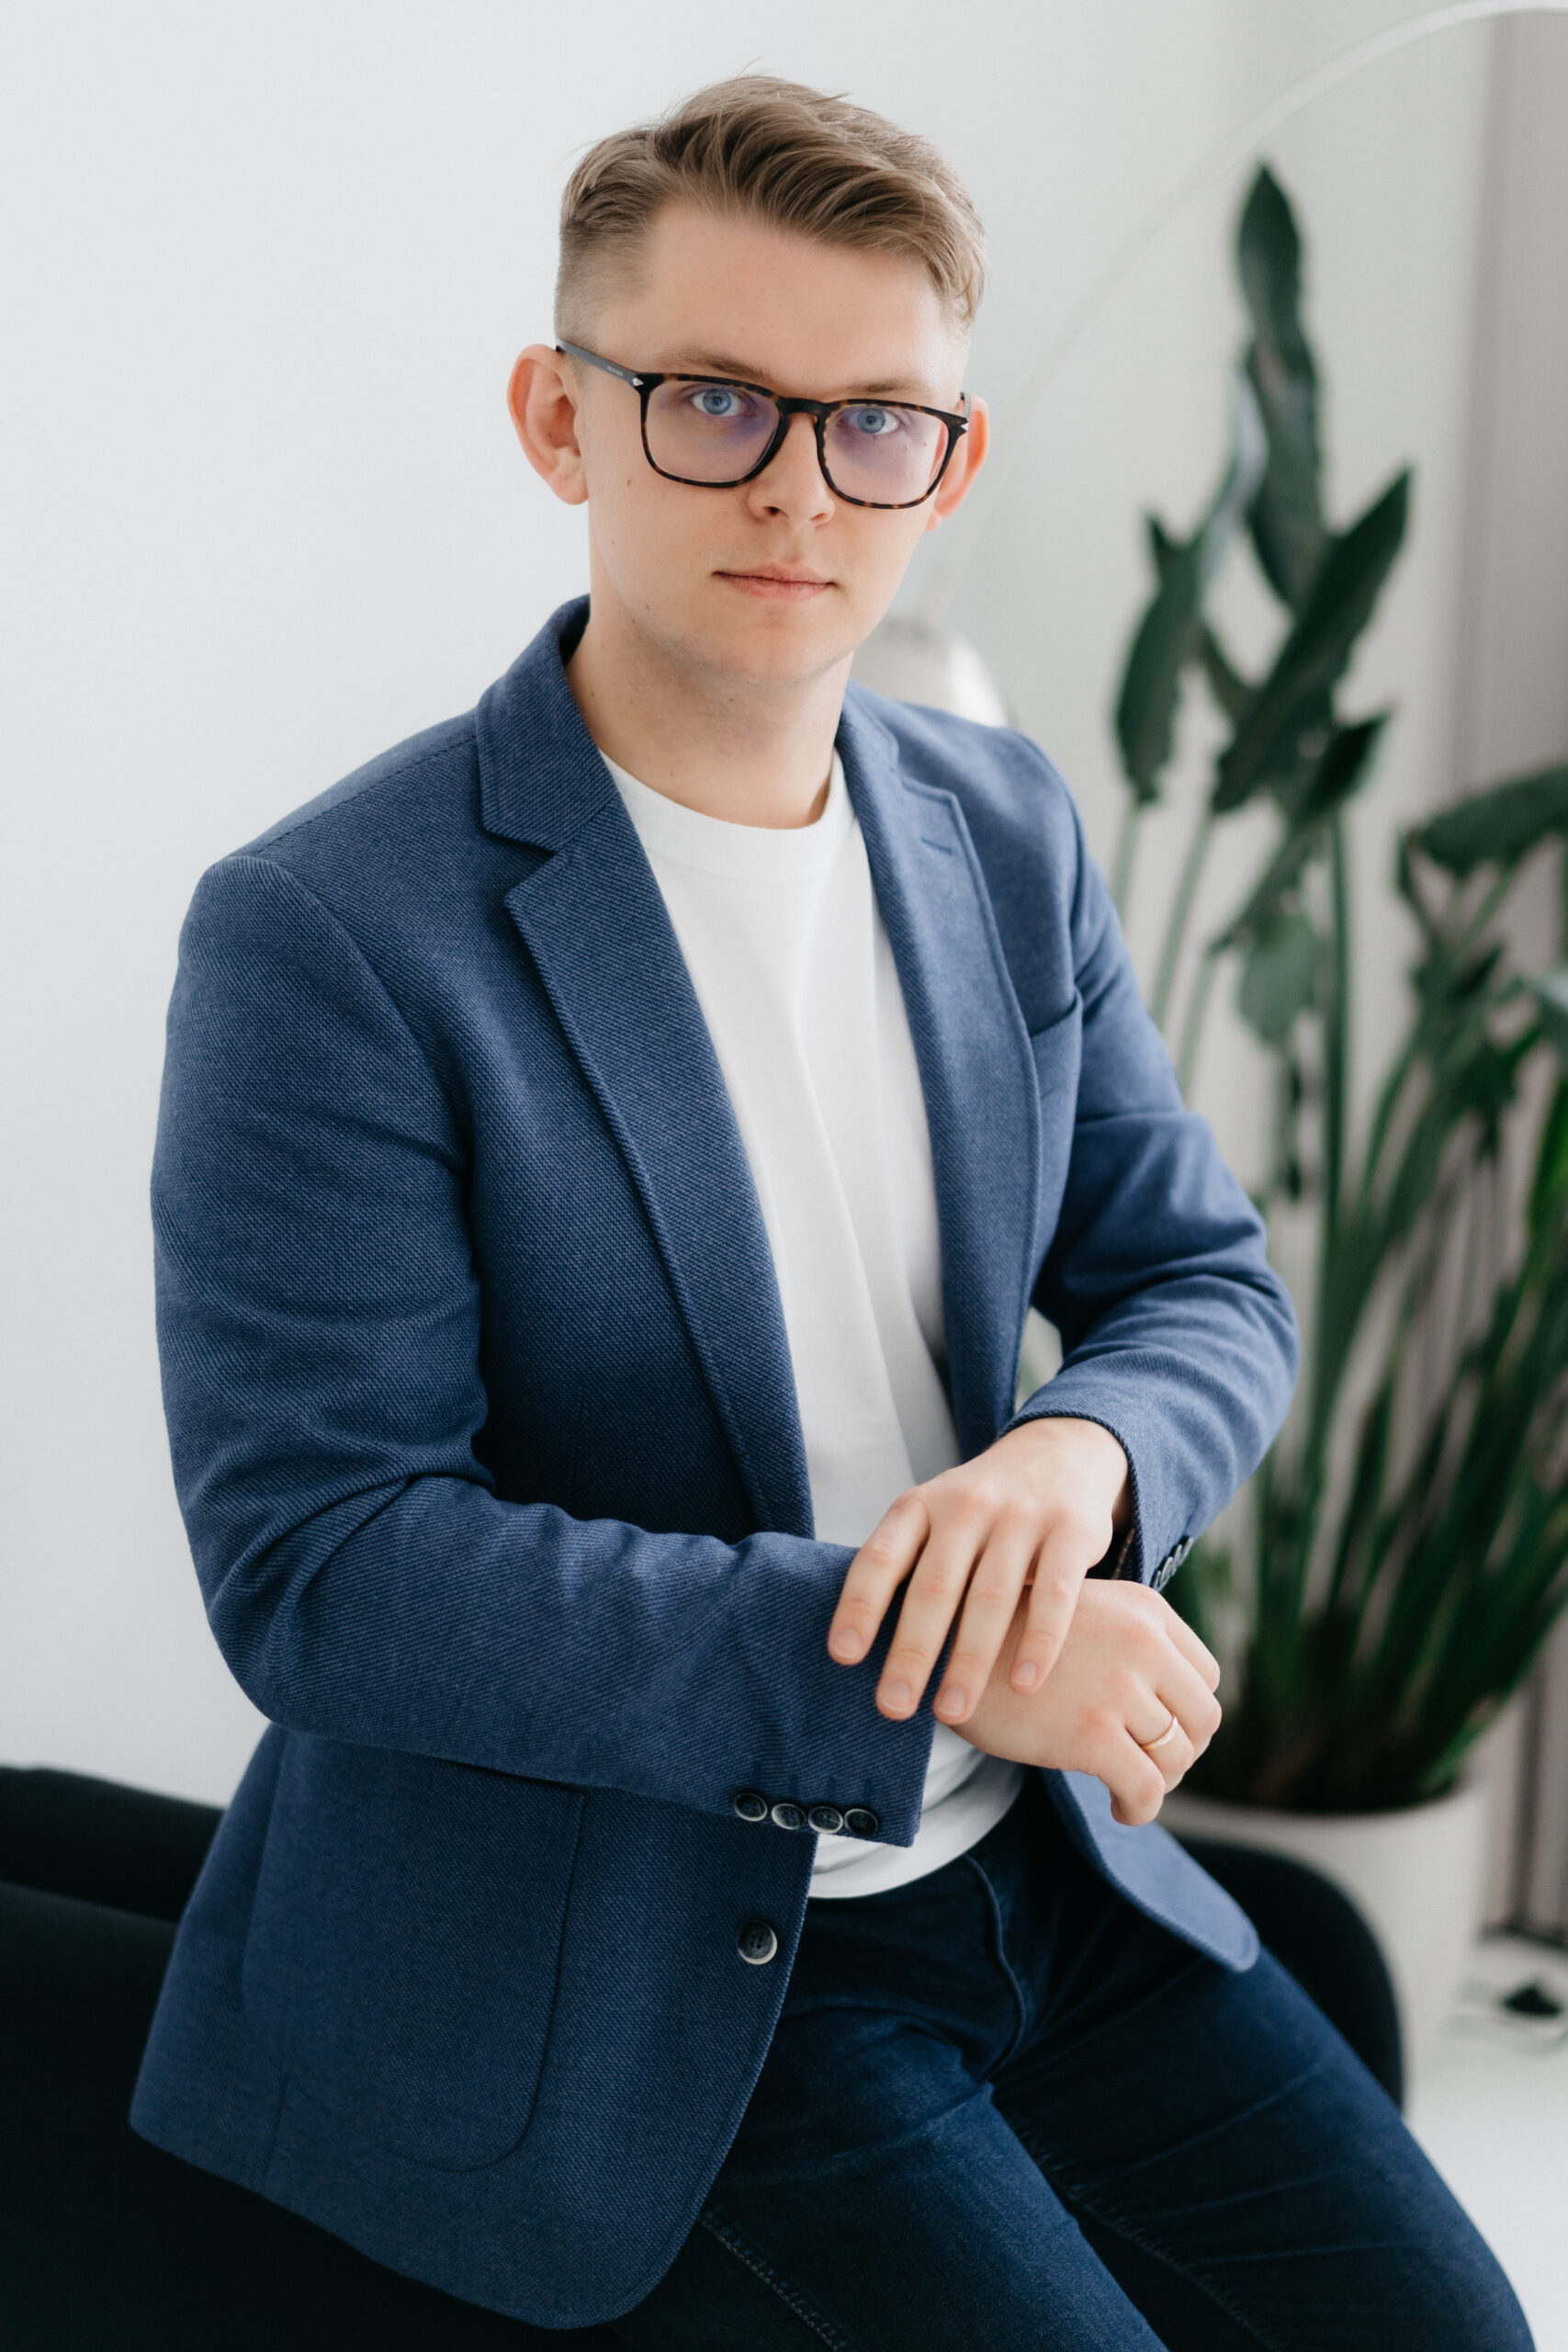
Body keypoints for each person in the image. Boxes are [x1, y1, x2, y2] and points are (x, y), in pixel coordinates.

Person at [130, 74, 1533, 2351]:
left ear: (947, 469)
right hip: (640, 1984)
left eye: (875, 420)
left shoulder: (1000, 825)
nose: (797, 484)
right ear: (558, 419)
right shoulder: (332, 930)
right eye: (711, 400)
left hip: (1048, 1883)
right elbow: (331, 1566)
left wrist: (1078, 1460)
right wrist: (951, 1653)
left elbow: (1196, 1275)